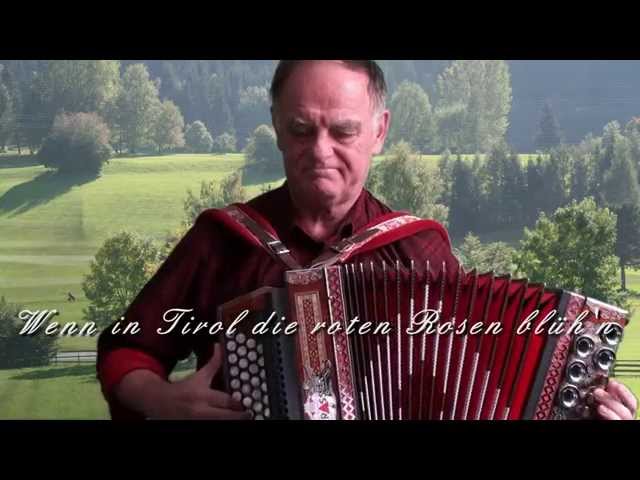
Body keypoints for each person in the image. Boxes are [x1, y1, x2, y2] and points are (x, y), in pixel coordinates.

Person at [96, 60, 637, 421]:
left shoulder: (420, 250)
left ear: (380, 130)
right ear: (278, 128)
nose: (321, 150)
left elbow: (487, 393)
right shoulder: (222, 238)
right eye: (302, 129)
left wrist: (583, 410)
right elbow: (126, 350)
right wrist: (164, 402)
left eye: (344, 130)